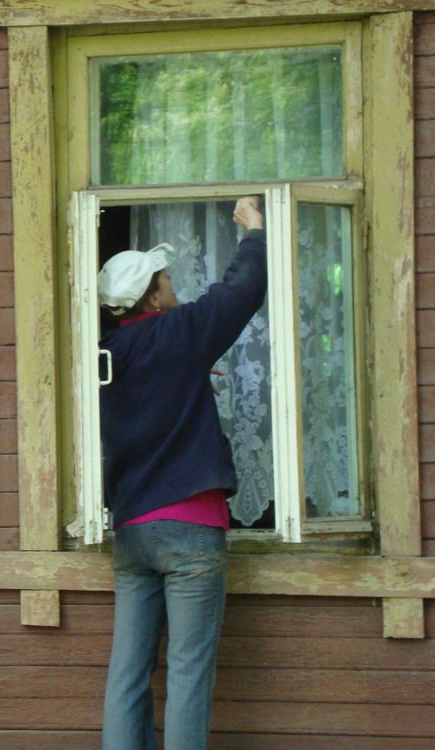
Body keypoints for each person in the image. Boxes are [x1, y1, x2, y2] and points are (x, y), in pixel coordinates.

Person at [98, 197, 266, 750]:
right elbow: (241, 292)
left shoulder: (103, 355)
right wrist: (254, 231)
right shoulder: (181, 333)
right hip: (190, 529)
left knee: (128, 675)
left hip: (131, 532)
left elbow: (149, 401)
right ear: (151, 295)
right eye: (165, 277)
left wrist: (192, 382)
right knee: (189, 673)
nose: (172, 283)